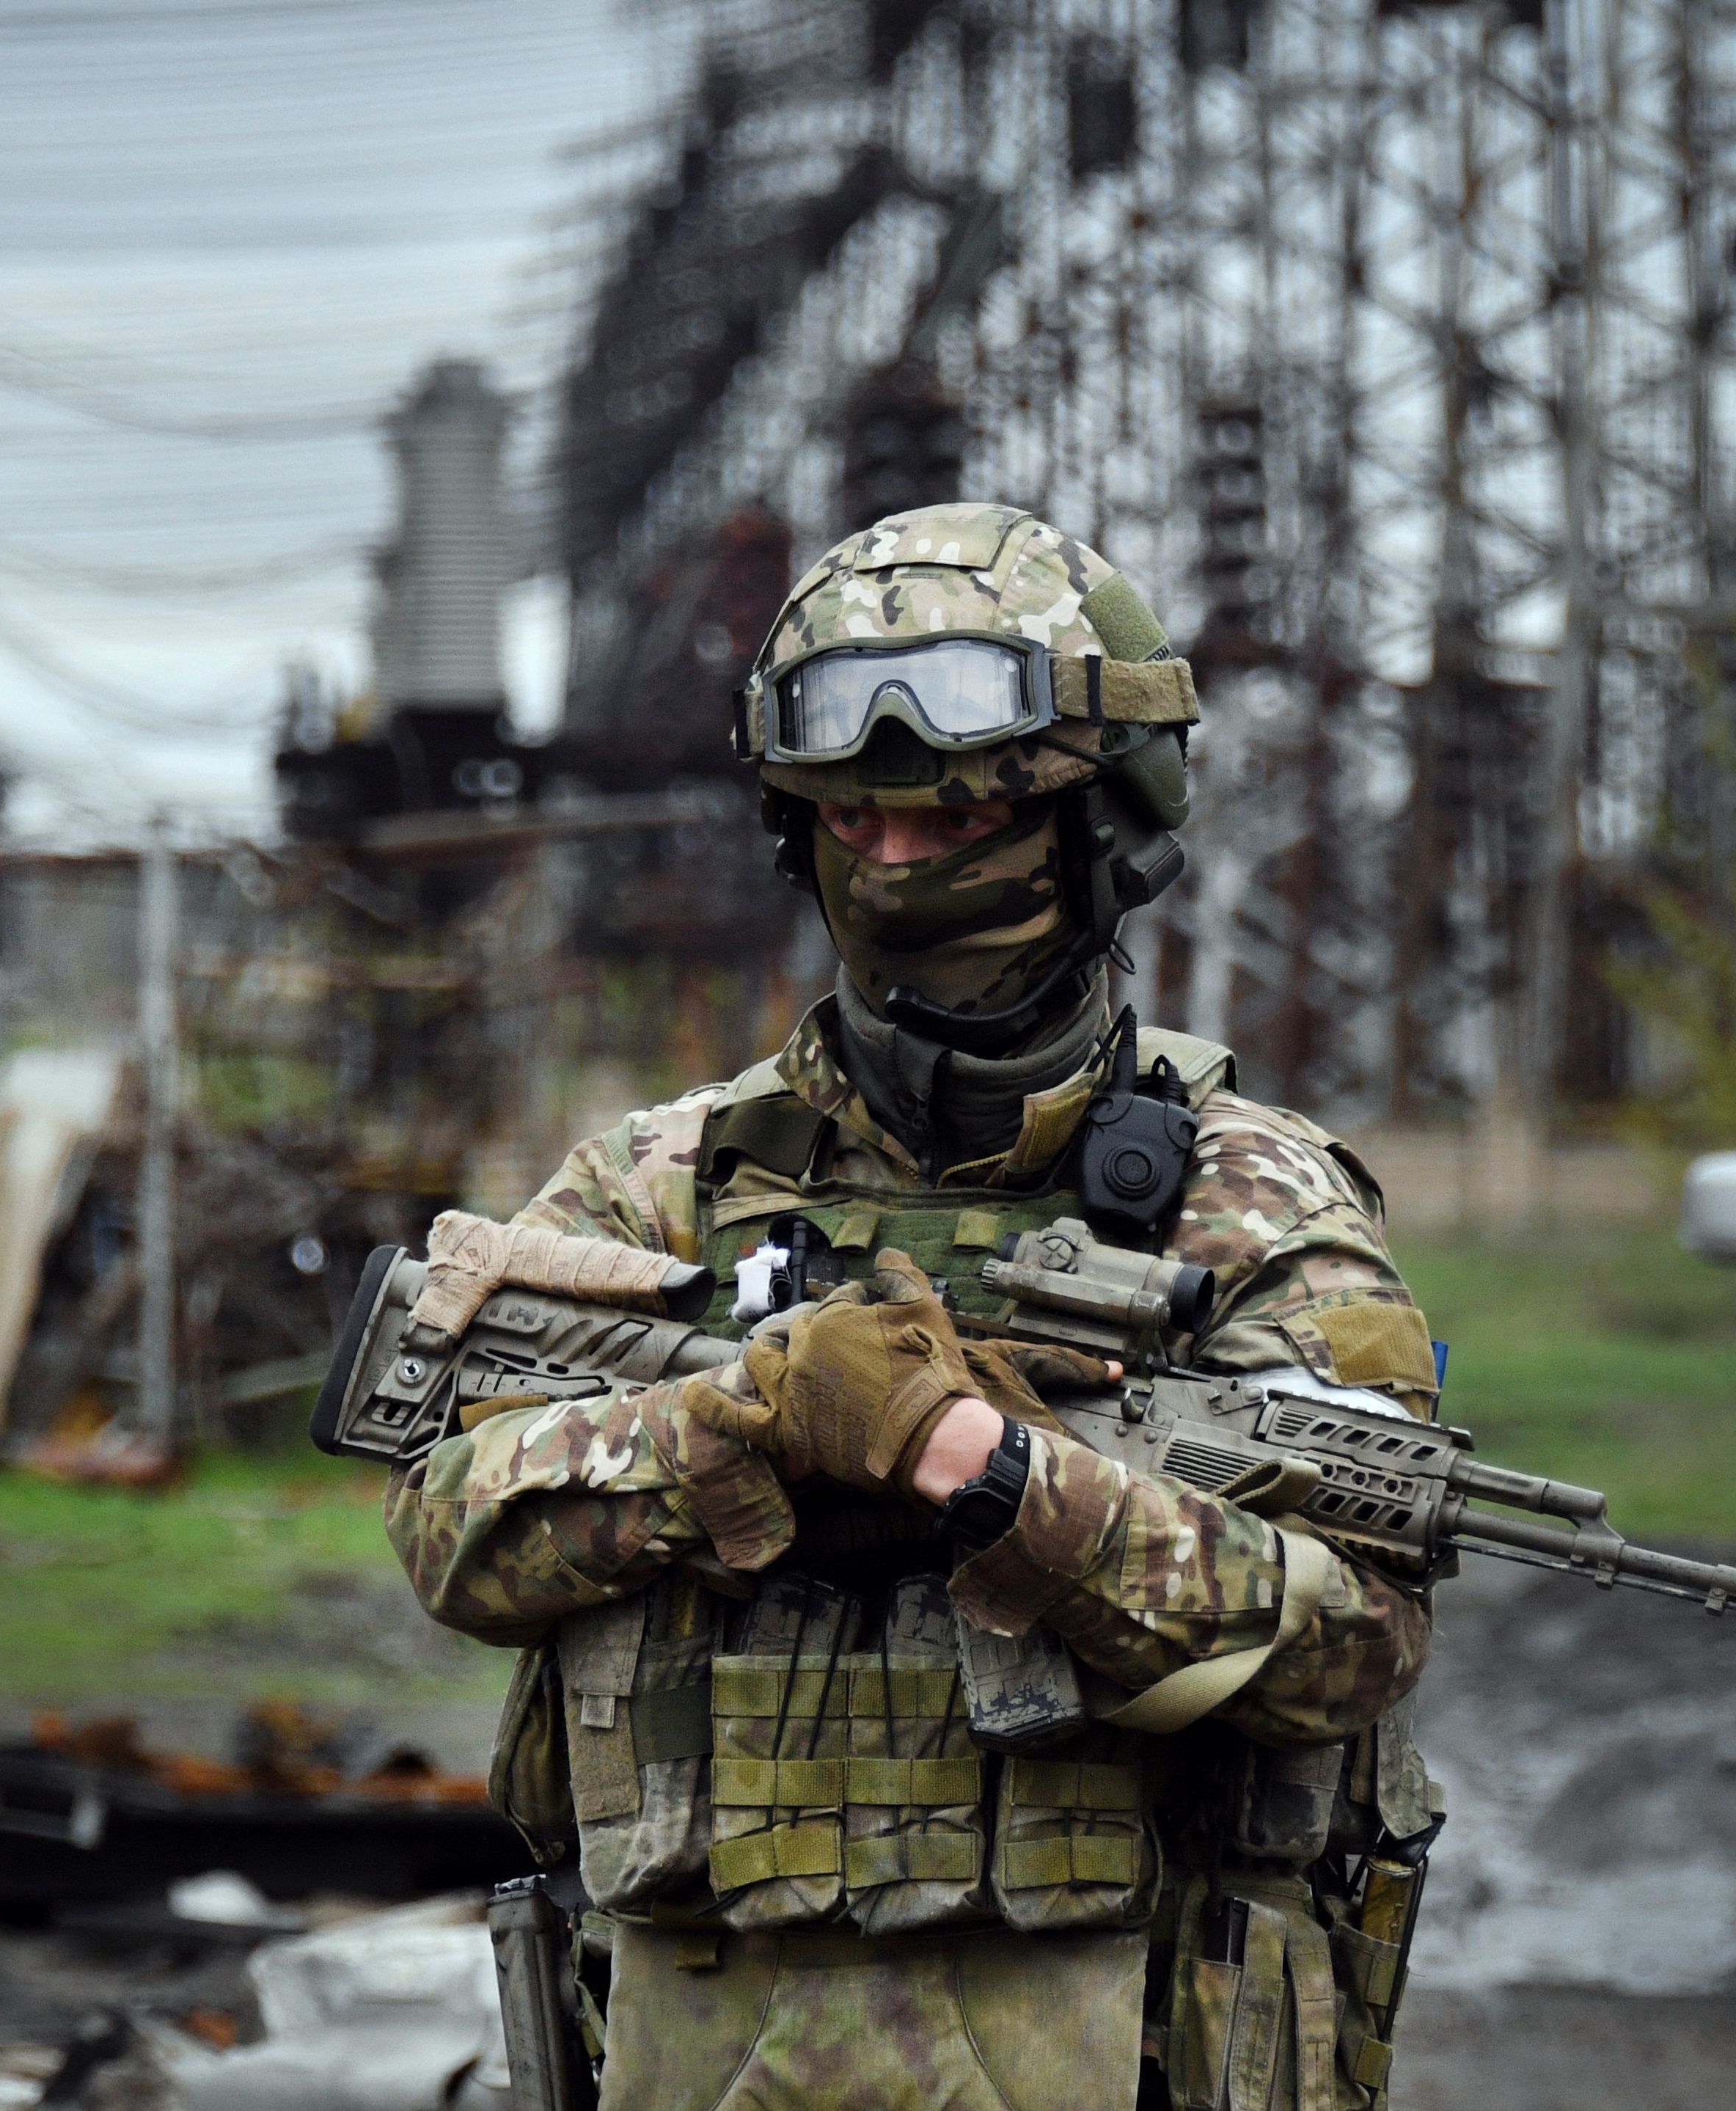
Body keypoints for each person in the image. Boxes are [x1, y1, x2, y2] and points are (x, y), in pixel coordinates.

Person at [387, 502, 1446, 2111]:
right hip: (700, 2042)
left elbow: (1351, 1637)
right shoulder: (662, 1181)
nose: (891, 865)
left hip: (1123, 2037)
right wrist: (731, 1424)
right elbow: (447, 1518)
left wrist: (988, 1471)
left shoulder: (1254, 1205)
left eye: (956, 825)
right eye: (850, 824)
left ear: (1100, 819)